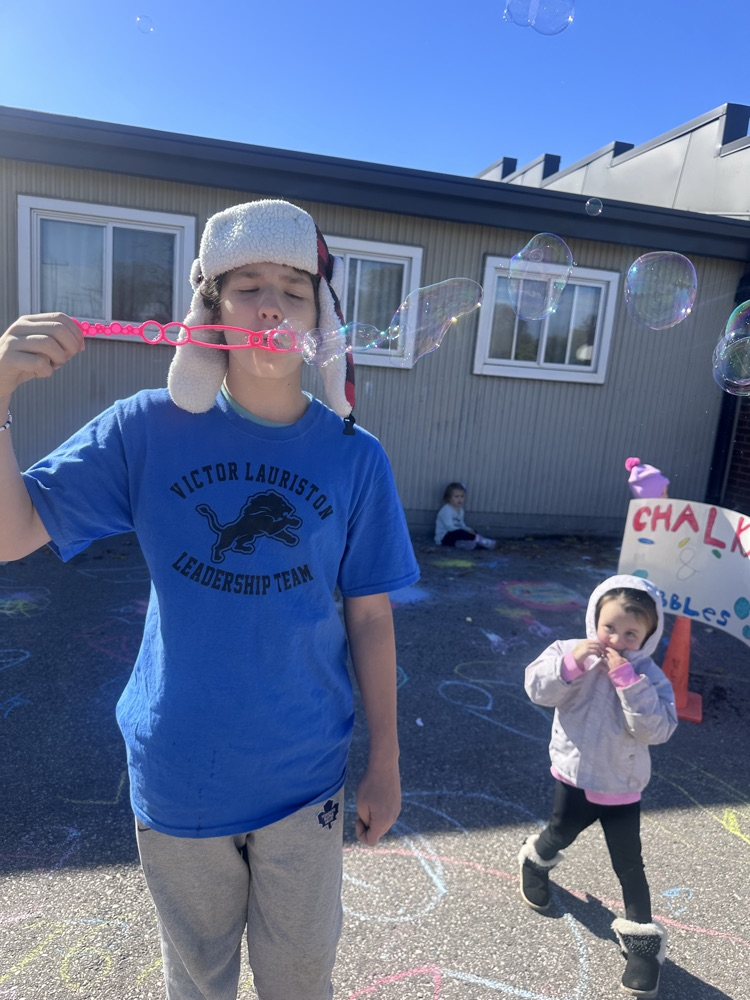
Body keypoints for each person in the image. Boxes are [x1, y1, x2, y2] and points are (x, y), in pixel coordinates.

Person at [0, 198, 420, 1000]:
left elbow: (369, 614)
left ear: (319, 315)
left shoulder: (355, 458)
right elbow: (11, 532)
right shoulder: (145, 429)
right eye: (246, 285)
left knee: (300, 981)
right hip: (180, 772)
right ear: (211, 309)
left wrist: (387, 763)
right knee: (198, 983)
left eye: (294, 289)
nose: (270, 304)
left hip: (306, 778)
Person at [518, 574, 677, 999]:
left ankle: (643, 946)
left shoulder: (649, 675)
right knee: (559, 831)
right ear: (594, 621)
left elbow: (659, 730)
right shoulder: (568, 652)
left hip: (622, 784)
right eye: (610, 628)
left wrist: (630, 683)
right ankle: (535, 861)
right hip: (573, 775)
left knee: (629, 864)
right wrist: (569, 665)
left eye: (631, 633)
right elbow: (536, 688)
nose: (618, 640)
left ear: (647, 636)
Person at [434, 481, 496, 550]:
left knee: (472, 531)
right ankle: (483, 541)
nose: (460, 499)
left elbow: (462, 524)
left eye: (462, 496)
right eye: (456, 497)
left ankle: (468, 543)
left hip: (456, 535)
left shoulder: (460, 510)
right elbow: (449, 527)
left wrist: (469, 530)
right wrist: (465, 532)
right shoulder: (446, 510)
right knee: (460, 533)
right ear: (449, 498)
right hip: (444, 537)